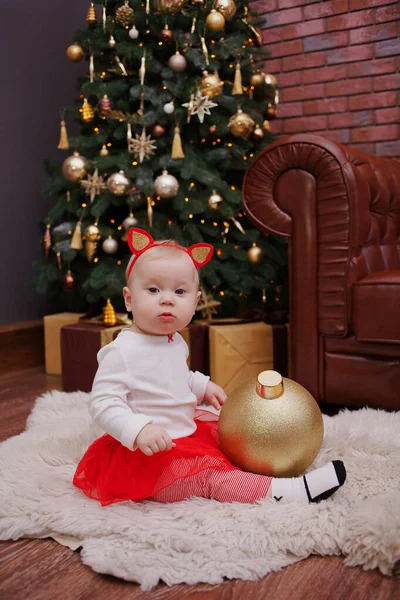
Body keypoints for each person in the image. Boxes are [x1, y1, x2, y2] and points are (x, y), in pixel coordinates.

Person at [73, 227, 346, 506]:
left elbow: (174, 375)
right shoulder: (122, 350)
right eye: (153, 289)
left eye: (180, 291)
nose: (167, 298)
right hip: (147, 458)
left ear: (195, 302)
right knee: (208, 476)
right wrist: (137, 429)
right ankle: (282, 493)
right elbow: (103, 402)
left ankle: (278, 462)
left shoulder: (175, 341)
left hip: (186, 434)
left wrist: (200, 385)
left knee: (231, 439)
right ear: (129, 299)